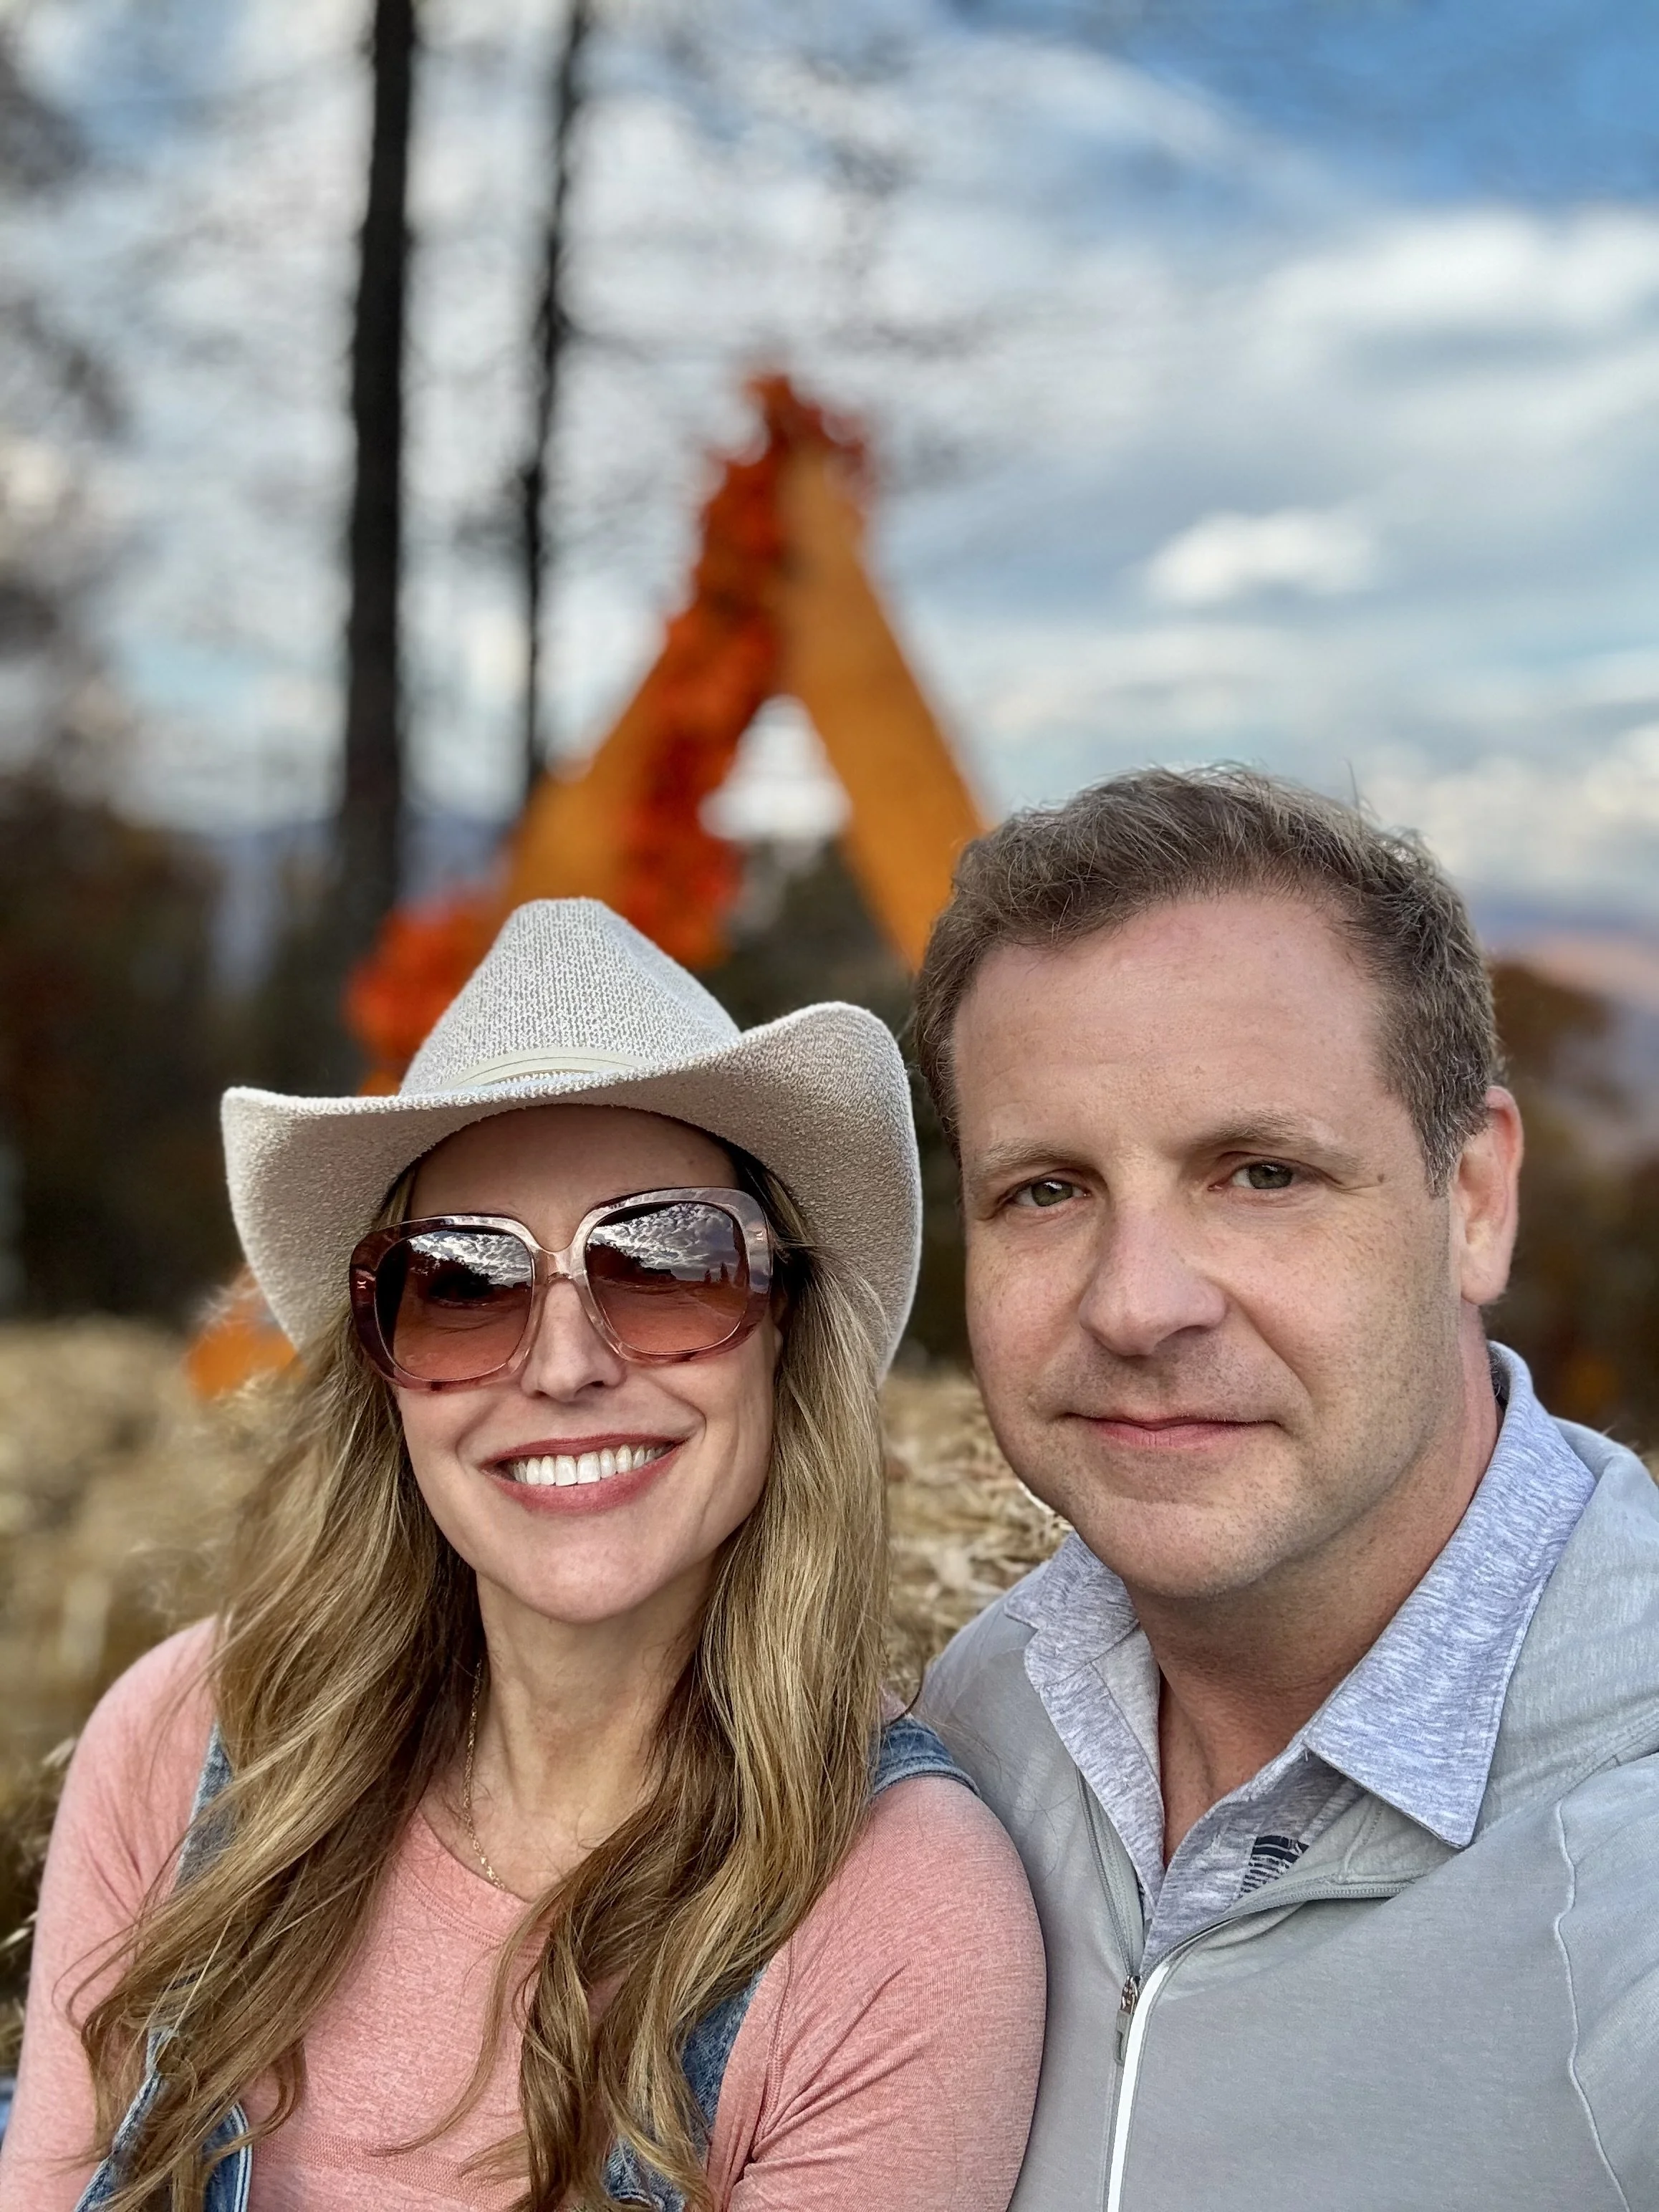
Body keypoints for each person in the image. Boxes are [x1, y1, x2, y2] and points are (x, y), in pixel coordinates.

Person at [1, 898, 1044, 2212]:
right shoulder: (184, 1746)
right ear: (387, 1372)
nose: (564, 1365)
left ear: (786, 1330)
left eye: (667, 1261)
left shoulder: (905, 1920)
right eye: (463, 1284)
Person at [912, 766, 1659, 2212]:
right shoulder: (986, 1715)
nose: (1137, 1304)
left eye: (1260, 1172)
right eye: (1047, 1189)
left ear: (1478, 1200)